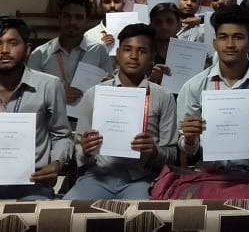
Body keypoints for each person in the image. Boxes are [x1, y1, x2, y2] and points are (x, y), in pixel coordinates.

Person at [0, 16, 71, 200]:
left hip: (34, 180)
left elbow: (62, 135)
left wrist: (56, 163)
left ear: (27, 49)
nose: (4, 50)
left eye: (13, 43)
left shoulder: (49, 86)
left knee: (37, 214)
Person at [64, 24, 179, 199]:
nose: (133, 56)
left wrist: (154, 152)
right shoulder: (94, 94)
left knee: (145, 214)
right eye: (127, 49)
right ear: (118, 54)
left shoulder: (163, 97)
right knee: (68, 210)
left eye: (142, 51)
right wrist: (86, 150)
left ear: (152, 58)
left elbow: (172, 154)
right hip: (98, 176)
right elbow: (79, 148)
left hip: (142, 180)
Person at [176, 5, 249, 195]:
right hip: (207, 174)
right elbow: (188, 151)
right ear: (215, 43)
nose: (230, 44)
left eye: (238, 37)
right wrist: (189, 139)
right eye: (223, 37)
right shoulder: (194, 87)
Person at [27, 0, 115, 123]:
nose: (72, 22)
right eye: (67, 16)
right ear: (59, 18)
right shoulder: (39, 54)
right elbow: (30, 95)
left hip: (87, 122)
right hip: (49, 122)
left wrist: (107, 85)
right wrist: (58, 95)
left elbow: (110, 87)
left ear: (87, 20)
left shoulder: (99, 51)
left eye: (78, 17)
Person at [148, 3, 185, 85]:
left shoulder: (192, 54)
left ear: (179, 26)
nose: (164, 26)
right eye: (158, 22)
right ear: (151, 26)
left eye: (169, 21)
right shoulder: (143, 55)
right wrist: (149, 80)